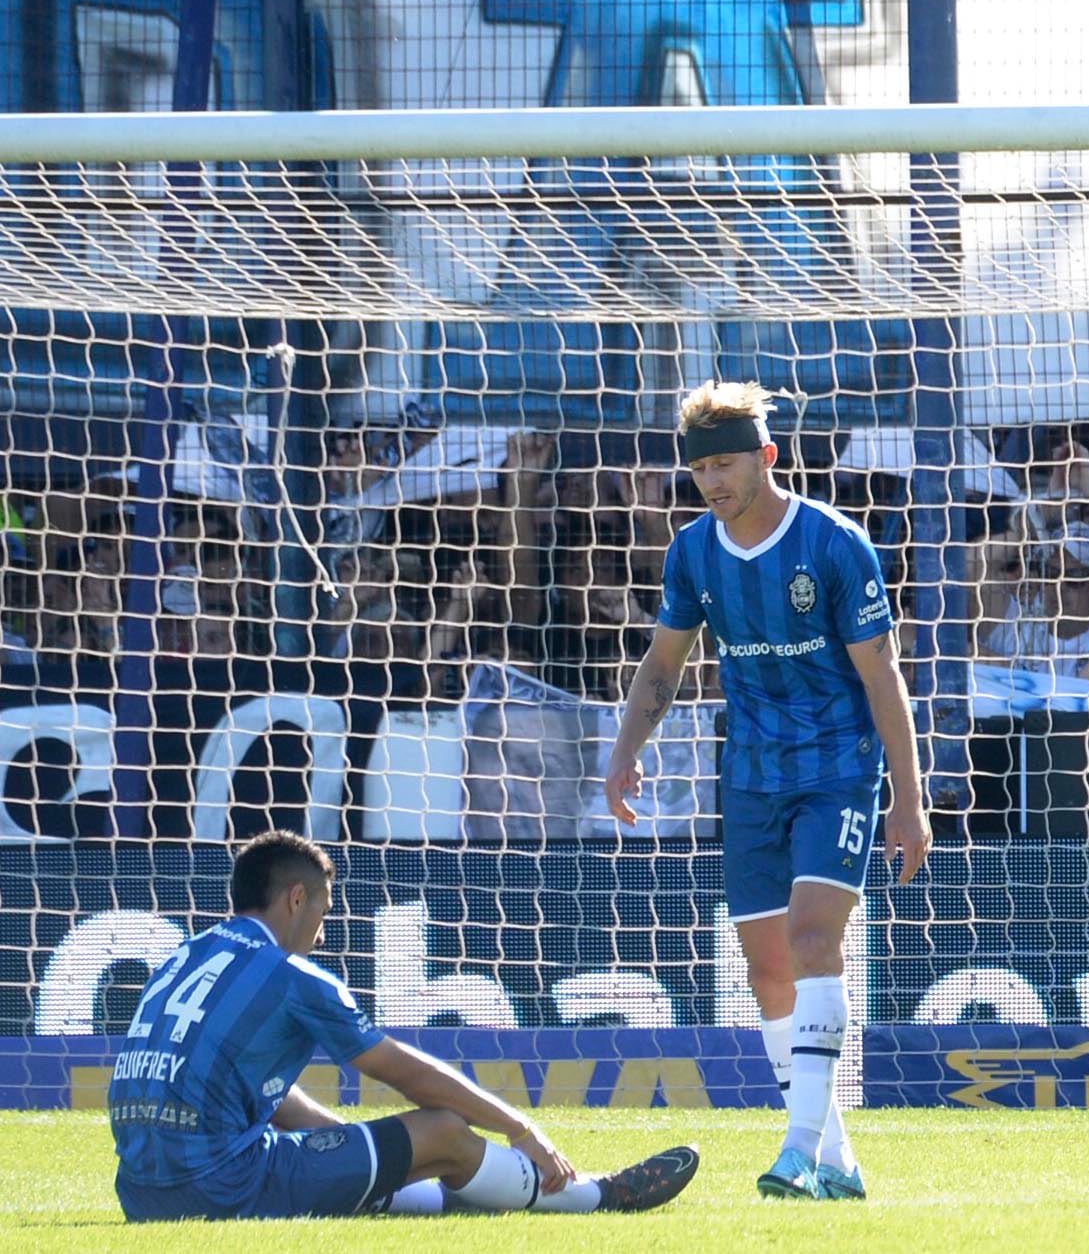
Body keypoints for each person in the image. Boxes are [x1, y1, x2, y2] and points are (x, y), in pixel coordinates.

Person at [605, 379, 930, 1203]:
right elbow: (664, 662)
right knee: (766, 972)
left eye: (724, 464)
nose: (711, 481)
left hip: (837, 771)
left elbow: (882, 677)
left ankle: (795, 1151)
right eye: (699, 469)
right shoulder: (693, 552)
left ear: (766, 457)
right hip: (750, 778)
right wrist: (625, 751)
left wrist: (909, 798)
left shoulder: (833, 543)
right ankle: (838, 1159)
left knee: (815, 939)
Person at [108, 831, 696, 1222]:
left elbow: (241, 1085)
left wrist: (350, 1149)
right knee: (441, 1131)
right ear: (295, 899)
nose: (322, 934)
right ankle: (599, 1196)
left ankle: (454, 1191)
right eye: (322, 912)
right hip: (225, 1187)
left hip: (140, 1194)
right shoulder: (290, 975)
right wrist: (520, 1128)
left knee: (402, 1157)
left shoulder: (182, 957)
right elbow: (406, 1074)